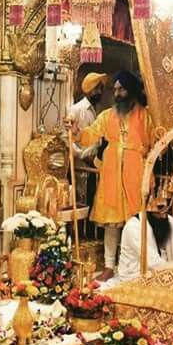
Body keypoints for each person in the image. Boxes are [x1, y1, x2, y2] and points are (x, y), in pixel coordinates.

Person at [70, 70, 152, 279]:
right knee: (111, 223)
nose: (116, 93)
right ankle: (108, 266)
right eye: (115, 89)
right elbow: (89, 136)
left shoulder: (145, 117)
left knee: (135, 223)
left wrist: (148, 172)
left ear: (131, 91)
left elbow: (154, 143)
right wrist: (76, 131)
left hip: (136, 173)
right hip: (112, 174)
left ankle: (135, 266)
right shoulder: (107, 115)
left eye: (121, 89)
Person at [107, 196, 173, 286]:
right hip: (135, 279)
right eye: (160, 209)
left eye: (166, 210)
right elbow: (154, 263)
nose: (163, 215)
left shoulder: (169, 220)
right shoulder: (134, 226)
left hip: (166, 274)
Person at [69, 73, 107, 209]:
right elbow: (67, 138)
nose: (100, 92)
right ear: (89, 89)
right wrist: (83, 156)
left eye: (101, 89)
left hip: (94, 165)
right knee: (81, 203)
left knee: (92, 203)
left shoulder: (96, 111)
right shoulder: (76, 109)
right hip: (82, 167)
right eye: (97, 89)